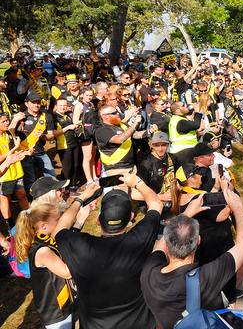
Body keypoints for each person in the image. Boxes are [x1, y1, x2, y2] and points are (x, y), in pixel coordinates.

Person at [55, 173, 162, 329]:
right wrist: (137, 182)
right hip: (138, 323)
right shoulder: (139, 240)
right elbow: (155, 204)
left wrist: (80, 198)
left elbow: (59, 229)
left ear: (98, 220)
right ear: (131, 217)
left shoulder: (80, 246)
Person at [140, 184, 243, 329]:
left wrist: (186, 213)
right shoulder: (205, 278)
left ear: (167, 244)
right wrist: (237, 207)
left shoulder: (149, 272)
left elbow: (158, 247)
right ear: (198, 240)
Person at [15, 199, 89, 329]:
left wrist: (80, 221)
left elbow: (64, 246)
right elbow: (67, 272)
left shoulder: (46, 238)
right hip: (56, 311)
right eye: (58, 219)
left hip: (66, 302)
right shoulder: (42, 250)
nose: (61, 221)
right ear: (44, 226)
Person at [15, 90, 57, 190]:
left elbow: (51, 136)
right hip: (25, 153)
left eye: (38, 102)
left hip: (41, 152)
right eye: (33, 102)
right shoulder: (20, 117)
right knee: (30, 179)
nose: (36, 105)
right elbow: (12, 136)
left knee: (51, 175)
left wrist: (43, 136)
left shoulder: (47, 116)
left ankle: (55, 197)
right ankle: (32, 201)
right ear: (26, 103)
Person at [94, 105, 146, 177]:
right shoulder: (102, 130)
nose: (118, 113)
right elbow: (120, 139)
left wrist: (149, 131)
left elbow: (135, 135)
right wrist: (135, 123)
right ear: (105, 116)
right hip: (116, 169)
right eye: (114, 113)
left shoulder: (122, 125)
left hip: (131, 166)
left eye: (117, 111)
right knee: (120, 188)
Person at [0, 113, 28, 226]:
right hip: (4, 175)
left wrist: (16, 118)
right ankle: (10, 225)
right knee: (5, 200)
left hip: (17, 172)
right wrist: (15, 148)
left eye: (7, 120)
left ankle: (30, 217)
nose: (7, 123)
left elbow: (12, 124)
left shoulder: (9, 132)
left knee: (22, 195)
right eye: (3, 121)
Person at [49, 98, 82, 185]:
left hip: (74, 143)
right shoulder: (53, 117)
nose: (63, 107)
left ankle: (73, 186)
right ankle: (65, 188)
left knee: (75, 166)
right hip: (63, 145)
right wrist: (67, 128)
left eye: (65, 105)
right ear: (56, 106)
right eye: (60, 105)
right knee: (67, 168)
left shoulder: (67, 115)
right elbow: (53, 134)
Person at [72, 87, 98, 183]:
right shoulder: (79, 105)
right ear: (82, 95)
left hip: (93, 131)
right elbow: (75, 121)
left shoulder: (91, 104)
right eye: (87, 95)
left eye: (91, 95)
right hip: (85, 133)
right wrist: (84, 125)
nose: (89, 97)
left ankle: (94, 176)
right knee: (87, 156)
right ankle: (89, 180)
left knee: (93, 155)